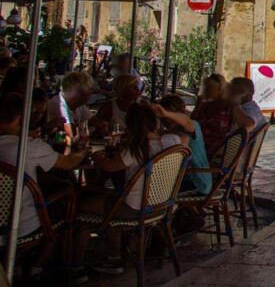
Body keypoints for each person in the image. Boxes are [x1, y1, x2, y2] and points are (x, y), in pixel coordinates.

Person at [76, 103, 188, 276]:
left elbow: (110, 167)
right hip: (162, 205)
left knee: (82, 206)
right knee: (113, 200)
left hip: (135, 209)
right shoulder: (172, 141)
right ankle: (116, 255)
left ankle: (78, 265)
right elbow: (185, 137)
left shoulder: (135, 149)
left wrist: (96, 156)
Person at [0, 93, 86, 280]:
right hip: (19, 224)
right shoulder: (27, 146)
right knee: (70, 206)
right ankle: (39, 268)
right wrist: (82, 153)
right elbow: (69, 162)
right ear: (20, 118)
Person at [156, 94, 212, 195]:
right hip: (181, 178)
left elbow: (187, 121)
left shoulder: (193, 126)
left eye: (169, 116)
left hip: (197, 182)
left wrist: (166, 113)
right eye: (163, 118)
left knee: (155, 190)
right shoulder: (171, 132)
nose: (167, 120)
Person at [192, 74, 233, 159]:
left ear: (220, 90)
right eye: (206, 88)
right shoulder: (204, 104)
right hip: (198, 142)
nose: (206, 91)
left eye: (210, 89)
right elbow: (192, 123)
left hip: (214, 148)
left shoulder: (228, 107)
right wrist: (198, 106)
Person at [47, 71, 93, 141]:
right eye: (87, 89)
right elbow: (69, 131)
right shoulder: (57, 104)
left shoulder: (79, 105)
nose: (89, 93)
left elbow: (92, 120)